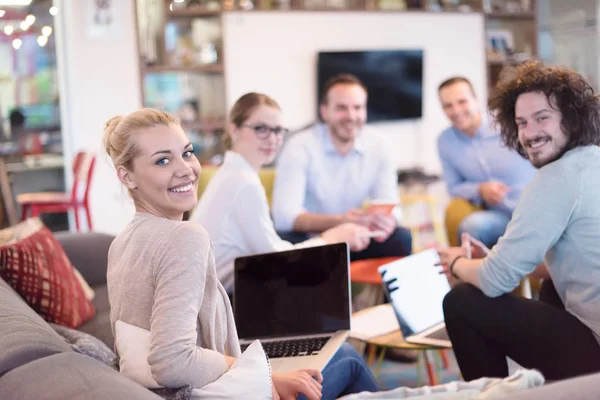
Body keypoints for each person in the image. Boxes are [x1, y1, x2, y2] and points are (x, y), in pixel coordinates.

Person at [103, 108, 378, 399]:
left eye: (187, 153)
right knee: (347, 357)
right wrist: (263, 374)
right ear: (127, 177)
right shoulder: (185, 237)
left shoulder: (120, 243)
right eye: (162, 160)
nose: (185, 169)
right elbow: (171, 361)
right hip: (208, 392)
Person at [436, 61, 600, 382]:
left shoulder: (556, 177)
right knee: (551, 284)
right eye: (521, 122)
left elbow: (496, 281)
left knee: (460, 301)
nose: (529, 133)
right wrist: (492, 261)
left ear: (571, 117)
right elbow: (577, 263)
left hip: (594, 347)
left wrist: (457, 262)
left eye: (542, 118)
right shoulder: (591, 159)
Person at [190, 92, 371, 294]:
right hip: (222, 304)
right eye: (261, 129)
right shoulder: (243, 182)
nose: (273, 139)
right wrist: (331, 238)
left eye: (277, 130)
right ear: (234, 129)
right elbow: (277, 259)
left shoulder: (231, 173)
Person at [272, 73, 412, 260]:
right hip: (313, 240)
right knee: (285, 241)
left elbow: (391, 204)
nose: (351, 116)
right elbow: (284, 218)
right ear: (324, 112)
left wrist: (388, 222)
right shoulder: (299, 146)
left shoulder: (378, 145)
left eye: (358, 108)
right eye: (341, 108)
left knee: (401, 238)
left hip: (355, 237)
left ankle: (381, 290)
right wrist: (341, 222)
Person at [437, 76, 536, 248]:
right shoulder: (445, 141)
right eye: (448, 106)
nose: (456, 110)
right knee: (471, 228)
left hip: (533, 212)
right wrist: (479, 189)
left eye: (462, 102)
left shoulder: (510, 124)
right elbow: (453, 187)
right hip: (499, 217)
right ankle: (465, 274)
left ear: (476, 100)